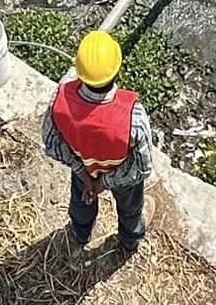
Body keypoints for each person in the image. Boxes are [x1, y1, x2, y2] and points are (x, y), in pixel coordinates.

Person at [41, 30, 152, 258]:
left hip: (84, 167)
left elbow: (51, 143)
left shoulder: (59, 101)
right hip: (121, 178)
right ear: (117, 69)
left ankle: (81, 234)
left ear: (80, 73)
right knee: (130, 209)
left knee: (81, 201)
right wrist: (105, 182)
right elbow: (142, 167)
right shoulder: (135, 117)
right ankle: (130, 242)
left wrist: (85, 175)